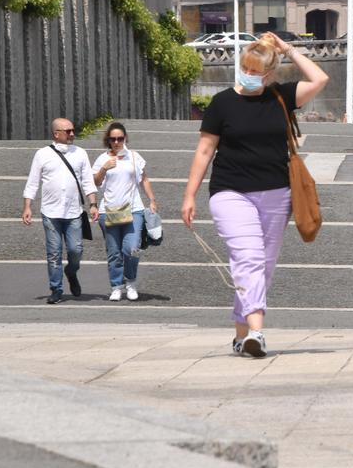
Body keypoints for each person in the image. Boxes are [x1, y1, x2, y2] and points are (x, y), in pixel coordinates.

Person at [181, 32, 330, 359]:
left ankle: (240, 333)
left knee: (260, 267)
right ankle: (258, 333)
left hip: (277, 194)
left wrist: (288, 48)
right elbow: (205, 151)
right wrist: (189, 195)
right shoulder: (222, 103)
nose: (248, 74)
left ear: (270, 74)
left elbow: (320, 78)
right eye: (245, 67)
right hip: (230, 192)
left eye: (256, 71)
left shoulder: (281, 97)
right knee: (248, 259)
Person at [22, 118, 99, 304]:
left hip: (73, 212)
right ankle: (56, 289)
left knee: (75, 250)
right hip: (50, 212)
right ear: (56, 134)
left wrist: (93, 204)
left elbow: (88, 181)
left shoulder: (80, 153)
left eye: (73, 130)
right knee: (54, 253)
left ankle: (71, 272)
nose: (72, 134)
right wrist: (27, 206)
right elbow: (33, 182)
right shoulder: (42, 154)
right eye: (68, 131)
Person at [92, 122, 157, 302]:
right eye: (113, 139)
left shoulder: (134, 157)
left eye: (120, 138)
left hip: (133, 209)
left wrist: (151, 200)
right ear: (108, 140)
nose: (117, 142)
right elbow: (95, 183)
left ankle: (131, 282)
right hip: (108, 210)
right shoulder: (101, 159)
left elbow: (144, 179)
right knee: (114, 252)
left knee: (132, 248)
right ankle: (116, 286)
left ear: (125, 138)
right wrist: (104, 168)